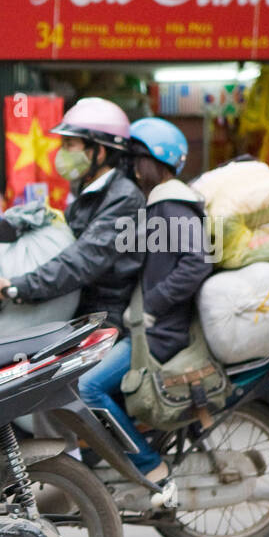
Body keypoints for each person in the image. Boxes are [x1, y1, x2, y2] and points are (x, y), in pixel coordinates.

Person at [75, 117, 212, 486]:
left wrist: (151, 306)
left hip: (161, 334)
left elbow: (197, 262)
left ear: (152, 161)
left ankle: (151, 465)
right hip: (147, 328)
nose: (132, 169)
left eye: (136, 160)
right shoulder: (159, 205)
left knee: (88, 388)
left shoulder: (173, 205)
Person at [0, 97, 145, 333]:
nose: (62, 153)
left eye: (70, 145)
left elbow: (83, 260)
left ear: (98, 152)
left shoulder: (124, 199)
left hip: (102, 318)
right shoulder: (88, 192)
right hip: (73, 309)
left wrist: (20, 286)